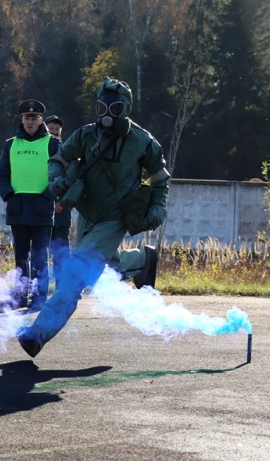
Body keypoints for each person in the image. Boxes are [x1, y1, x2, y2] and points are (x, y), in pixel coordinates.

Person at [16, 77, 170, 357]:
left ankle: (37, 334)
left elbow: (161, 180)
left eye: (114, 108)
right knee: (97, 271)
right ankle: (140, 262)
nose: (106, 115)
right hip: (86, 214)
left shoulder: (143, 142)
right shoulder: (86, 135)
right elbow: (58, 161)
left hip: (115, 218)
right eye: (102, 107)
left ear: (126, 109)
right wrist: (56, 181)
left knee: (75, 274)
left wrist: (157, 211)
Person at [0, 100, 61, 311]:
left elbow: (62, 175)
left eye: (34, 118)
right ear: (21, 119)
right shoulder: (10, 144)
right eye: (26, 117)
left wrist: (48, 197)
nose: (30, 121)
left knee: (40, 257)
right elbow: (1, 175)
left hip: (42, 207)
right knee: (21, 257)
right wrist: (9, 197)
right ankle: (21, 296)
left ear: (41, 120)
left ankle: (40, 299)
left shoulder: (53, 144)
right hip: (17, 208)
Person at [44, 114, 71, 291]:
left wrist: (61, 201)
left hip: (61, 210)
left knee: (61, 252)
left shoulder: (67, 152)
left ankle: (62, 288)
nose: (54, 133)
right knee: (40, 252)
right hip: (42, 209)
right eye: (51, 129)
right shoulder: (39, 149)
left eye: (57, 130)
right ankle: (41, 288)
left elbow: (71, 178)